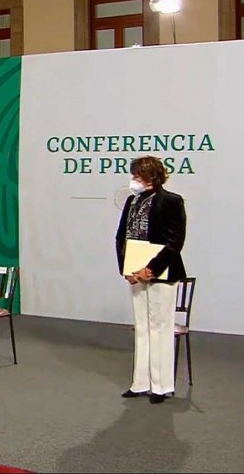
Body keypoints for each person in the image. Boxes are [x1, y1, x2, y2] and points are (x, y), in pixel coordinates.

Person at [116, 156, 186, 404]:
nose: (133, 179)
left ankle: (160, 386)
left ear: (152, 177)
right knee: (142, 328)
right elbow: (121, 237)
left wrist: (150, 269)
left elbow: (174, 242)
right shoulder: (132, 201)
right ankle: (140, 383)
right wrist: (126, 268)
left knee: (160, 328)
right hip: (135, 273)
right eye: (133, 175)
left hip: (161, 273)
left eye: (138, 175)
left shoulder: (172, 201)